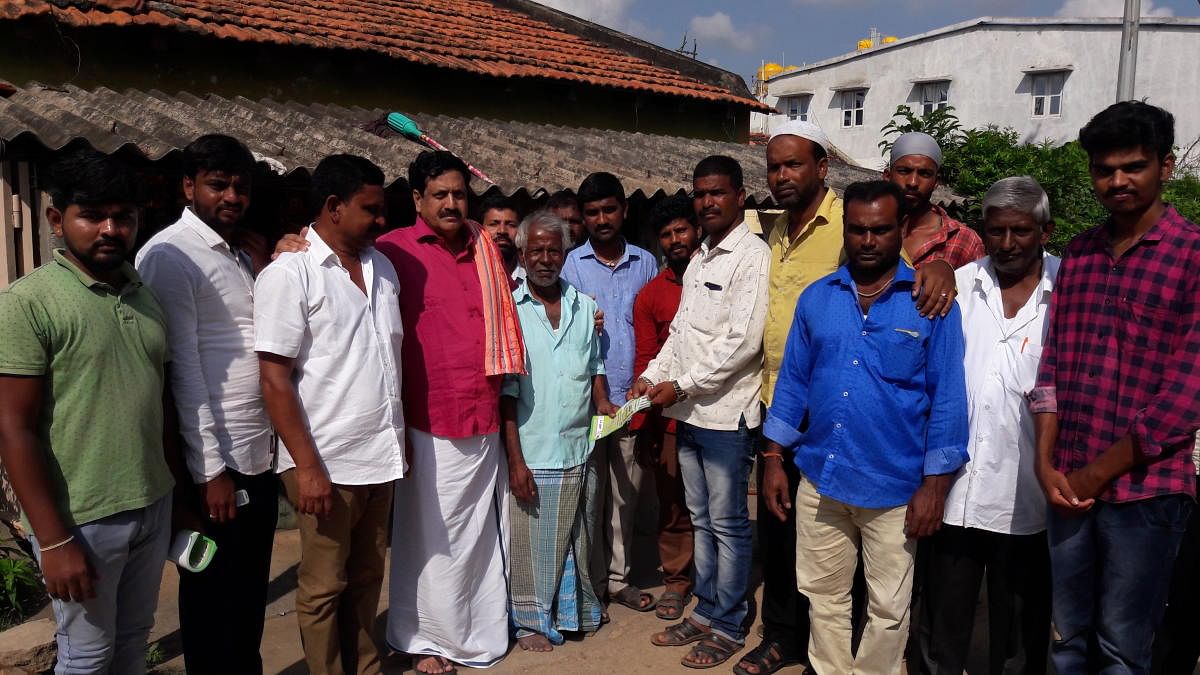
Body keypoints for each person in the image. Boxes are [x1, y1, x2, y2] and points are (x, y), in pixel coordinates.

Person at [742, 120, 959, 675]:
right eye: (858, 231)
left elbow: (949, 402)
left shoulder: (929, 303)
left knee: (888, 607)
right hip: (820, 478)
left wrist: (935, 487)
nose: (868, 241)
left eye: (880, 231)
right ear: (847, 232)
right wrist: (772, 460)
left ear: (897, 231)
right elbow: (791, 384)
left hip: (893, 486)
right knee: (825, 596)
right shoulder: (820, 299)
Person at [1030, 101, 1200, 673]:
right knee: (1065, 636)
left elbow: (1184, 399)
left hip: (1146, 493)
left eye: (1134, 167)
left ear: (1166, 167)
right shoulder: (1079, 254)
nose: (1117, 181)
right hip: (1066, 485)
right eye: (1105, 169)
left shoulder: (1194, 257)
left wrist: (1093, 474)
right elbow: (1051, 367)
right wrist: (1045, 462)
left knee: (1122, 645)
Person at [0, 149, 177, 673]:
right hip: (83, 518)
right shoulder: (29, 302)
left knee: (131, 644)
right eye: (92, 215)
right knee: (86, 657)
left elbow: (160, 399)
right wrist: (53, 540)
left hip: (152, 503)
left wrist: (175, 493)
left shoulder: (144, 294)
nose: (109, 228)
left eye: (122, 217)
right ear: (57, 220)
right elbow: (13, 427)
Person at [255, 154, 406, 675]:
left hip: (380, 456)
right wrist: (308, 469)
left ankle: (364, 667)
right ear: (334, 207)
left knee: (366, 577)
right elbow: (274, 379)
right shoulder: (289, 273)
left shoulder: (382, 269)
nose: (381, 220)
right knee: (322, 588)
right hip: (324, 462)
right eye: (371, 209)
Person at [135, 134, 277, 675]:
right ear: (188, 187)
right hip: (216, 465)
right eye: (218, 185)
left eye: (240, 186)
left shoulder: (237, 252)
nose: (232, 196)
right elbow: (183, 373)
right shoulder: (172, 256)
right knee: (214, 606)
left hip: (255, 451)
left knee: (246, 603)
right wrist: (209, 471)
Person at [380, 151, 523, 673]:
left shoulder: (486, 250)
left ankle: (478, 630)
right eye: (439, 194)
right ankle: (426, 639)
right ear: (417, 199)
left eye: (459, 194)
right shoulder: (391, 251)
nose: (451, 203)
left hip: (482, 412)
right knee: (430, 534)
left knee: (479, 535)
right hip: (427, 417)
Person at [634, 156, 770, 668]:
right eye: (700, 193)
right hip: (689, 414)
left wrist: (681, 384)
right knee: (702, 520)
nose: (708, 202)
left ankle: (730, 623)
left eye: (717, 193)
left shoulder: (751, 256)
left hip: (725, 418)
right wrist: (653, 374)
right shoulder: (700, 259)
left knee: (730, 524)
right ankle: (708, 608)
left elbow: (743, 344)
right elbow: (680, 335)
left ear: (739, 195)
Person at [922, 177, 1057, 675]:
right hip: (956, 489)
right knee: (942, 621)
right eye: (995, 231)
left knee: (1021, 629)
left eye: (1020, 231)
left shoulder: (1068, 290)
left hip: (1030, 496)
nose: (1006, 244)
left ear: (1045, 231)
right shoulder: (956, 285)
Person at [502, 210, 617, 652]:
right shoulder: (510, 310)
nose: (545, 259)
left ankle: (574, 612)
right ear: (523, 253)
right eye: (537, 251)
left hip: (577, 445)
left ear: (565, 254)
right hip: (532, 448)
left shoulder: (584, 306)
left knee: (575, 535)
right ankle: (531, 620)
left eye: (554, 250)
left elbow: (594, 367)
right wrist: (515, 460)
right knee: (533, 544)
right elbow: (507, 395)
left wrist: (605, 403)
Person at [561, 172, 659, 614]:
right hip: (584, 400)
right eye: (592, 212)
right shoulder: (570, 265)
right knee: (587, 494)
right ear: (583, 218)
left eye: (609, 209)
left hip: (631, 397)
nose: (602, 219)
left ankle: (618, 579)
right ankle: (589, 582)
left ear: (624, 210)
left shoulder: (645, 262)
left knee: (625, 494)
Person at [630, 194, 701, 622]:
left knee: (713, 507)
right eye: (667, 234)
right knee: (673, 504)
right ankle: (676, 582)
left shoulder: (719, 278)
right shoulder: (650, 295)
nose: (676, 239)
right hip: (669, 420)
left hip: (717, 413)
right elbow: (645, 359)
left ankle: (713, 587)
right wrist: (642, 423)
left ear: (696, 231)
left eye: (682, 230)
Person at [883, 132, 984, 270]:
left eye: (924, 174)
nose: (913, 182)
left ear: (936, 181)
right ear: (887, 176)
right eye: (904, 171)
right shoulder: (865, 229)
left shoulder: (964, 241)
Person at [477, 192, 523, 282]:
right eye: (493, 224)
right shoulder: (471, 274)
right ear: (480, 229)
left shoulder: (531, 279)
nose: (502, 231)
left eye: (511, 225)